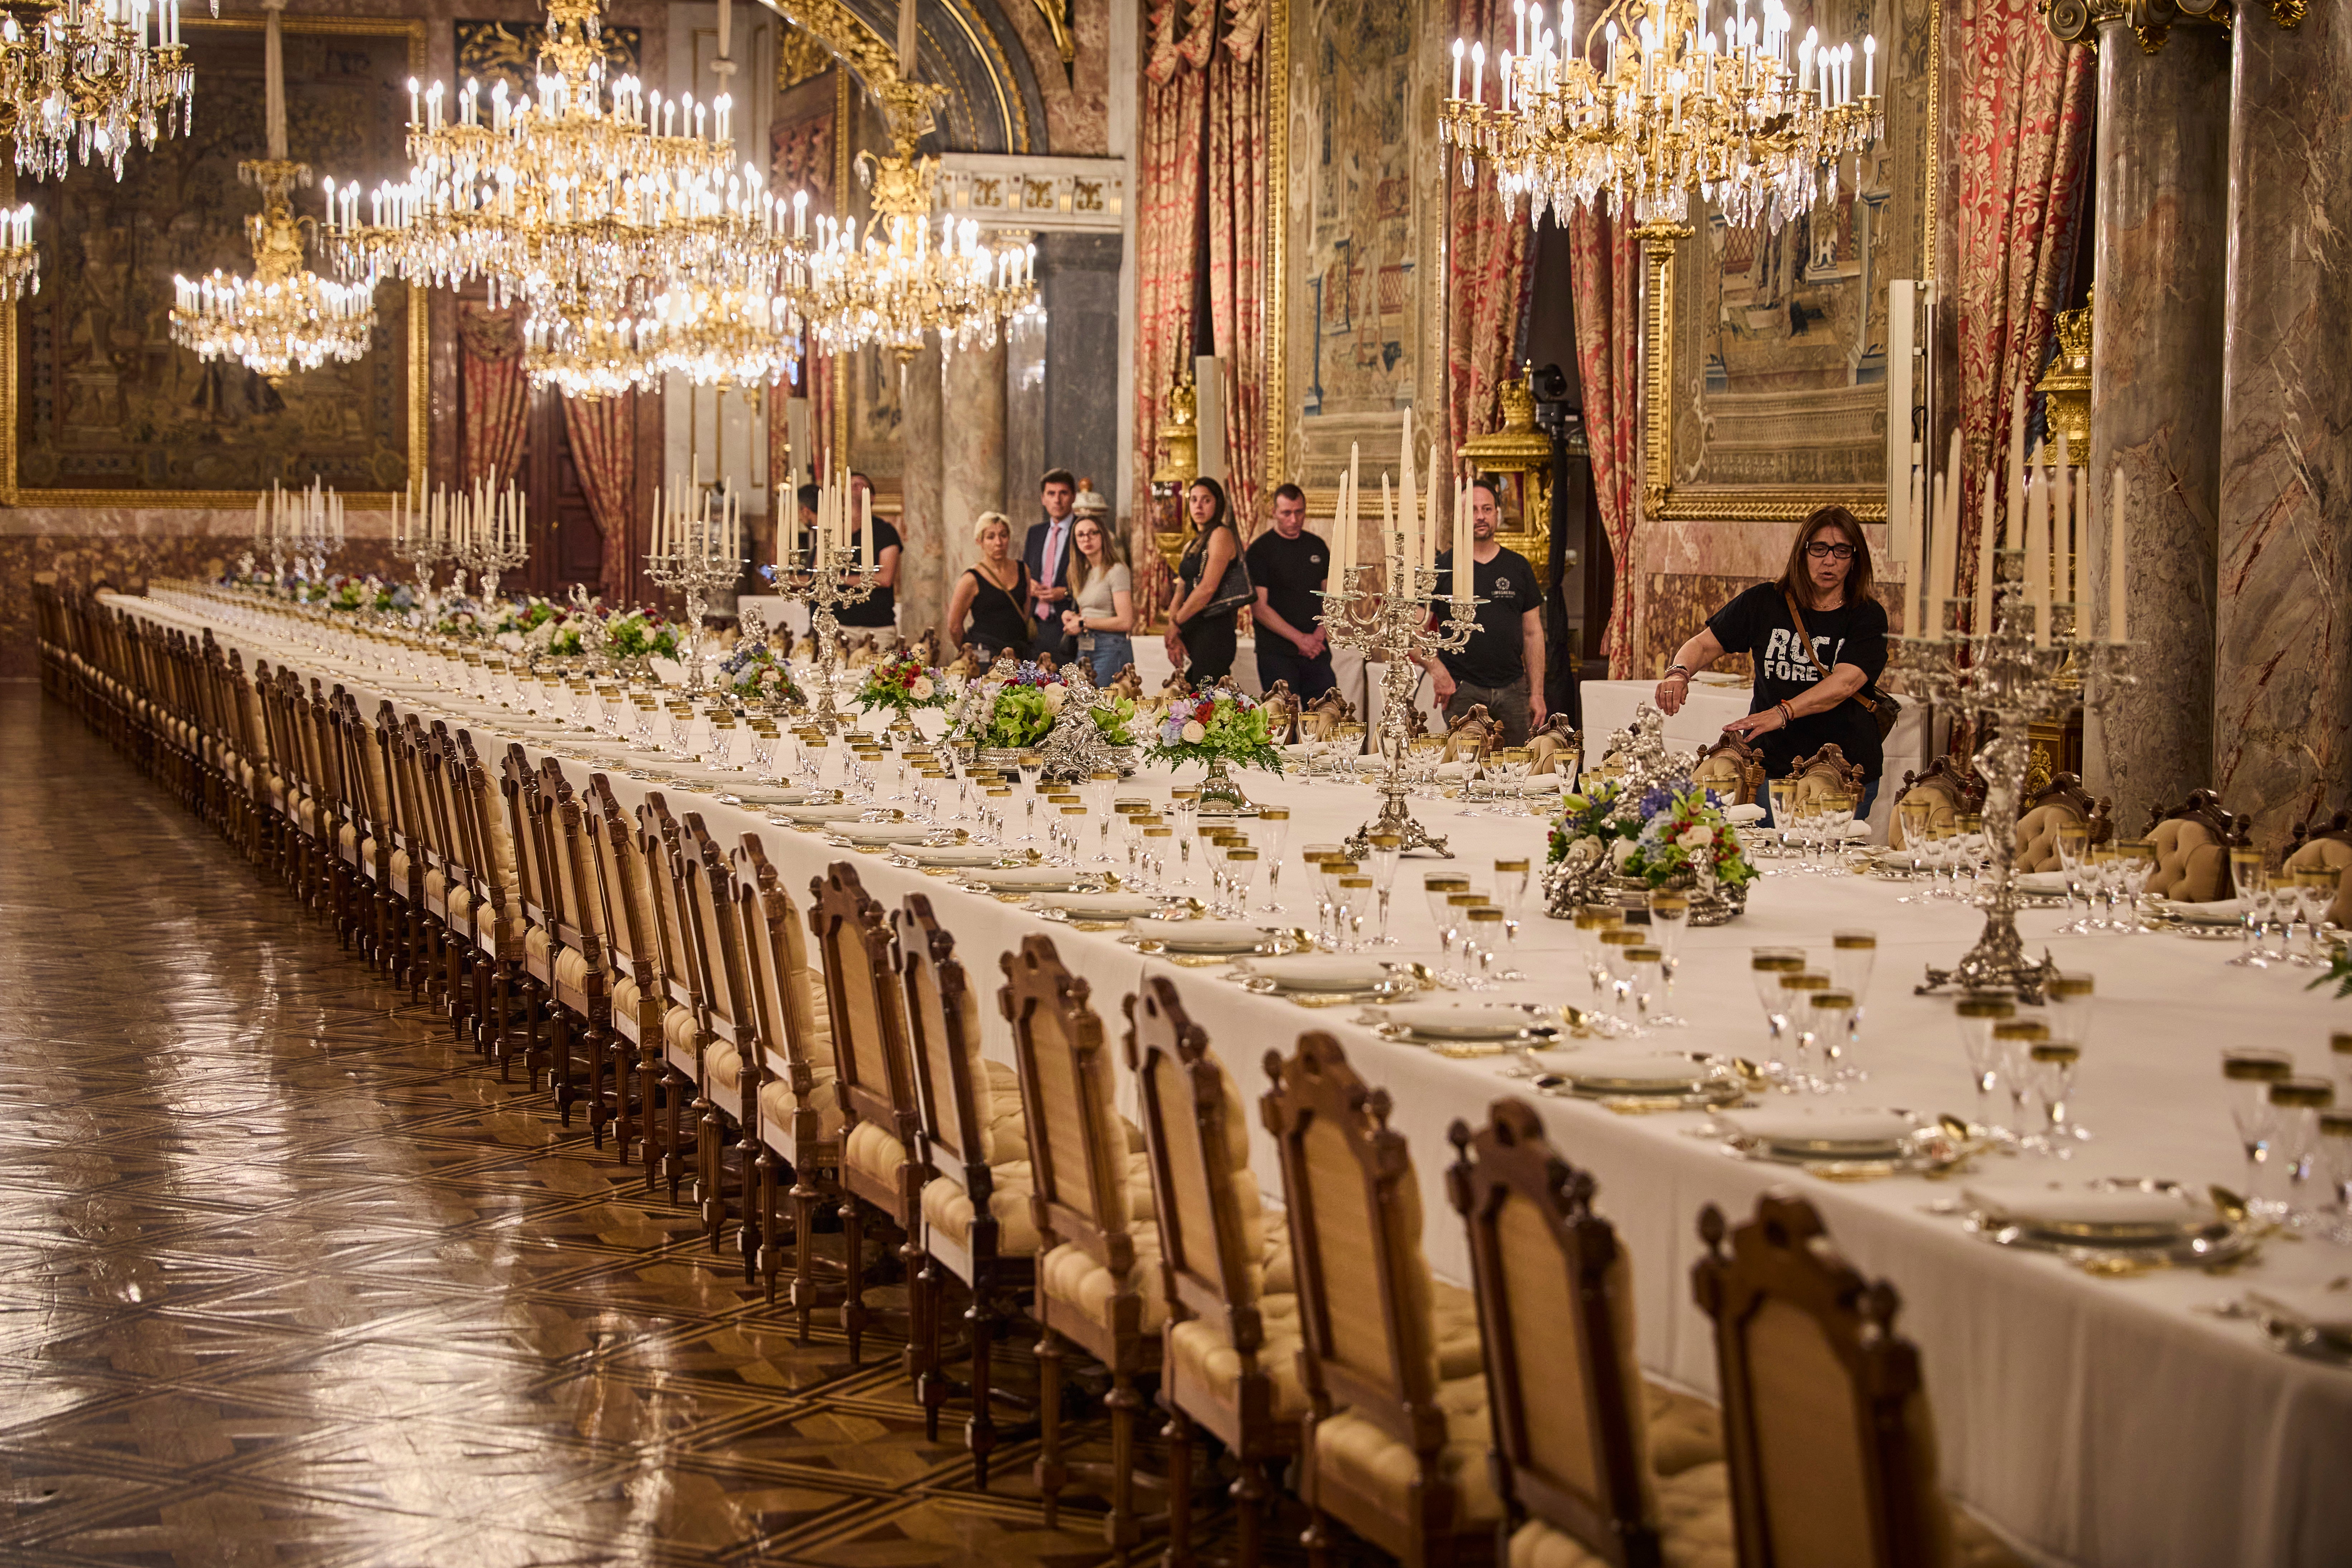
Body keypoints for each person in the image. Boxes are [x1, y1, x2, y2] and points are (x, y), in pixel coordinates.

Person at [1655, 504, 1891, 819]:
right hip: (1771, 765)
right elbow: (1703, 644)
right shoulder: (1765, 602)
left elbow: (1844, 683)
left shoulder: (1866, 615)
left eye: (1842, 551)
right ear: (1802, 552)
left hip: (1843, 769)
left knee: (1822, 863)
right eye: (1820, 549)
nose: (1830, 560)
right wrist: (1679, 673)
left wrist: (1783, 712)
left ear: (1855, 558)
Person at [1424, 478, 1546, 744]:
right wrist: (1436, 670)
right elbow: (1412, 630)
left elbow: (1533, 633)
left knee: (1515, 771)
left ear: (1497, 514)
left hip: (1513, 689)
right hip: (1462, 689)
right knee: (1465, 772)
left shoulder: (1518, 567)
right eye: (1473, 510)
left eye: (1487, 509)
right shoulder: (1441, 567)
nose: (1481, 516)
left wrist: (1537, 693)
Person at [1246, 481, 1337, 700]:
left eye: (1299, 512)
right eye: (1287, 513)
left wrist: (1318, 635)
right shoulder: (1260, 551)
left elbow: (1331, 598)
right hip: (1277, 653)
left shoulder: (1317, 546)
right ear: (1274, 512)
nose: (1294, 520)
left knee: (1327, 713)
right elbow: (1260, 609)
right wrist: (1301, 640)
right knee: (1285, 718)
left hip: (1317, 650)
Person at [1164, 476, 1245, 684]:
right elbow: (1181, 591)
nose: (1198, 505)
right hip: (1192, 630)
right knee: (1189, 699)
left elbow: (1207, 589)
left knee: (1207, 703)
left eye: (1206, 500)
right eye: (1194, 500)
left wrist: (1176, 623)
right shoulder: (1192, 544)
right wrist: (1174, 629)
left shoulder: (1221, 534)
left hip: (1214, 632)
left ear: (1217, 504)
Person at [1058, 496, 1134, 684]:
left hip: (1110, 646)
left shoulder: (1116, 570)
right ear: (1075, 541)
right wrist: (1072, 616)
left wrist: (1083, 622)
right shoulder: (1081, 571)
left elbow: (1126, 621)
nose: (1087, 539)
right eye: (1081, 535)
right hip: (1085, 645)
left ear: (1103, 536)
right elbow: (1089, 610)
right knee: (1074, 701)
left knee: (1097, 704)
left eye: (1093, 533)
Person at [946, 512, 1036, 662]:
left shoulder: (1023, 569)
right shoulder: (971, 579)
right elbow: (954, 627)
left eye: (1003, 535)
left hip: (1018, 652)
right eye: (991, 537)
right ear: (980, 542)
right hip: (986, 652)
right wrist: (970, 654)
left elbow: (1026, 612)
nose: (998, 543)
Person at [1023, 468, 1080, 661]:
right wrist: (1029, 585)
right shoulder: (1035, 533)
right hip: (1035, 625)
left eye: (1063, 493)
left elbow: (1095, 578)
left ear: (1073, 497)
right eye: (1051, 494)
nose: (1057, 500)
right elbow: (1026, 571)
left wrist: (1065, 592)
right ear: (1043, 499)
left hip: (1066, 626)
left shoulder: (1084, 531)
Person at [833, 470, 902, 629]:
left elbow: (885, 578)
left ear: (872, 498)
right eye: (850, 484)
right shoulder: (834, 531)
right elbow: (820, 570)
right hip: (839, 622)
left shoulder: (885, 531)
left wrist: (840, 579)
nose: (854, 485)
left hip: (877, 624)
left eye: (861, 484)